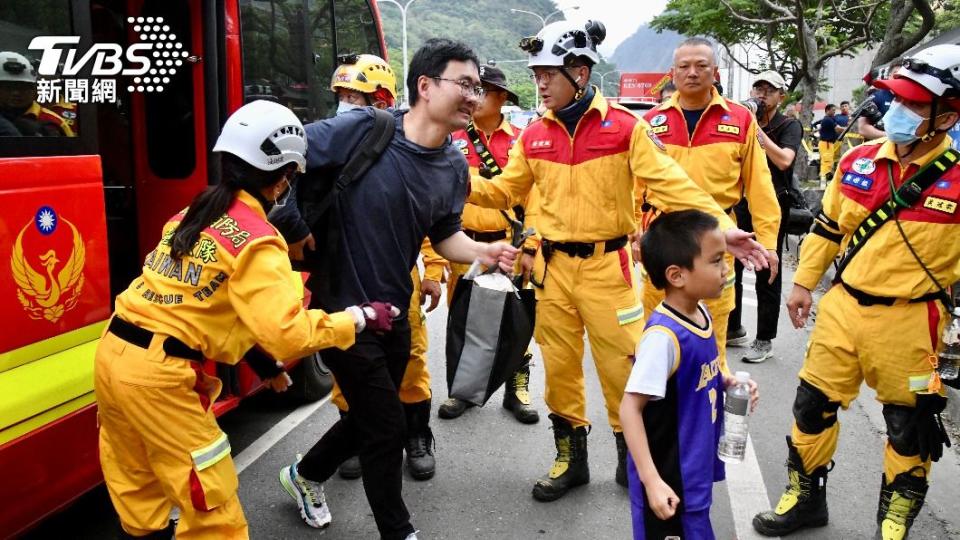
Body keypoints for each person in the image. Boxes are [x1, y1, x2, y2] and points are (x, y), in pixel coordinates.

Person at [468, 19, 769, 502]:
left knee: (623, 369)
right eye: (537, 72)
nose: (540, 81)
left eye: (550, 72)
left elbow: (673, 183)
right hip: (551, 271)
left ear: (580, 73)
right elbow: (506, 189)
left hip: (609, 269)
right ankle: (571, 459)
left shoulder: (626, 128)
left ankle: (633, 459)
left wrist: (721, 227)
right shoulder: (534, 136)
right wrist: (456, 183)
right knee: (560, 368)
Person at [93, 100, 396, 539]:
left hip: (114, 356)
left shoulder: (195, 212)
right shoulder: (257, 240)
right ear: (283, 178)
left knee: (138, 487)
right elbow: (289, 334)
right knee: (212, 507)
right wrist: (360, 318)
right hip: (159, 377)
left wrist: (262, 365)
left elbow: (200, 303)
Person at [277, 39, 517, 540]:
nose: (475, 97)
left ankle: (304, 475)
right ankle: (398, 531)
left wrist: (482, 252)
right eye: (465, 85)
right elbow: (283, 152)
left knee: (370, 415)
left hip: (395, 313)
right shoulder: (367, 129)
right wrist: (295, 228)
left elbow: (446, 235)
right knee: (387, 427)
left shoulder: (453, 164)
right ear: (425, 87)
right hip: (343, 312)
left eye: (478, 87)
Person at [753, 43, 960, 540]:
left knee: (909, 423)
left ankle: (894, 520)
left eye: (913, 104)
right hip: (842, 308)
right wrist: (802, 283)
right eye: (895, 100)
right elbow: (827, 229)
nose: (897, 112)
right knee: (811, 405)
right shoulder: (860, 160)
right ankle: (804, 500)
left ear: (947, 114)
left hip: (913, 322)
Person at [271, 54, 447, 482]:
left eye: (358, 96)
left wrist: (434, 271)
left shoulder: (406, 147)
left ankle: (416, 434)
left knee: (410, 361)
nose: (348, 103)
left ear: (384, 101)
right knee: (349, 362)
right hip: (344, 272)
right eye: (344, 95)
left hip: (396, 273)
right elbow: (290, 192)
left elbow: (426, 217)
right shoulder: (335, 146)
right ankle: (358, 432)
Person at [641, 38, 780, 373]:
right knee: (657, 335)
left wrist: (770, 243)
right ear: (672, 74)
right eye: (684, 67)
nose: (692, 73)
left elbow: (761, 188)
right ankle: (661, 417)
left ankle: (710, 416)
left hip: (718, 239)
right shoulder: (650, 122)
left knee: (713, 339)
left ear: (715, 72)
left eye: (701, 66)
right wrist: (635, 233)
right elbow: (635, 187)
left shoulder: (740, 120)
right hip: (664, 238)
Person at [622, 209, 759, 540]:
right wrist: (652, 482)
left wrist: (725, 382)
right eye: (715, 261)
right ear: (677, 275)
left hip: (693, 468)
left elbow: (693, 375)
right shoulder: (663, 338)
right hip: (671, 476)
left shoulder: (700, 312)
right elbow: (629, 408)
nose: (726, 269)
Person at [437, 64, 541, 424]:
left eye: (483, 91)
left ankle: (517, 389)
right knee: (465, 319)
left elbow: (537, 198)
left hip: (511, 243)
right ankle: (464, 390)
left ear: (500, 99)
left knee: (514, 319)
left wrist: (531, 247)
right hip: (464, 245)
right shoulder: (452, 139)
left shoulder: (522, 140)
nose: (475, 97)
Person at [728, 70, 803, 363]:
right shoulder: (742, 121)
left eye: (769, 90)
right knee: (730, 266)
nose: (761, 94)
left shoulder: (789, 125)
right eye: (758, 88)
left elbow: (784, 160)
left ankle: (764, 339)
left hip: (773, 206)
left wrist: (755, 131)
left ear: (780, 97)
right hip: (741, 203)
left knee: (766, 269)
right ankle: (733, 328)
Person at [0, 51, 74, 136]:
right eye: (8, 87)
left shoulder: (55, 123)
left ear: (34, 88)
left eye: (23, 87)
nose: (16, 93)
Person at [815, 104, 839, 182]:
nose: (834, 112)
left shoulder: (830, 119)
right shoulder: (828, 119)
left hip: (828, 144)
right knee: (826, 161)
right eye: (833, 110)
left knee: (829, 161)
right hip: (826, 144)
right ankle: (823, 178)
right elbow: (838, 129)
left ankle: (824, 177)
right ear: (827, 110)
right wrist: (847, 129)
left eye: (835, 110)